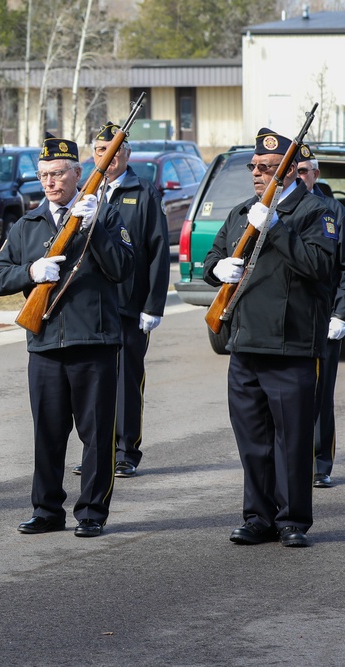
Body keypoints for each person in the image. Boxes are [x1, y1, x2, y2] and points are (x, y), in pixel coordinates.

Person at [0, 133, 134, 538]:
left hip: (94, 343)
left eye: (58, 174)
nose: (50, 182)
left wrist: (93, 227)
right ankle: (47, 509)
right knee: (47, 435)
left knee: (96, 434)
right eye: (43, 175)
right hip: (47, 344)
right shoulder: (27, 224)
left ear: (78, 174)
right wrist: (30, 272)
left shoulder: (104, 217)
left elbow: (122, 268)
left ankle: (91, 513)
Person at [203, 128, 336, 548]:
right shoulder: (243, 211)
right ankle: (257, 517)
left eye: (267, 168)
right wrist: (217, 270)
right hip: (244, 345)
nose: (258, 174)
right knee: (253, 440)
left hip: (291, 345)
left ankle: (293, 520)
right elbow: (213, 257)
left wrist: (276, 226)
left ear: (292, 171)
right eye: (254, 167)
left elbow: (319, 266)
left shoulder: (317, 212)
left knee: (292, 440)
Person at [71, 123, 170, 479]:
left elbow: (159, 250)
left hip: (129, 304)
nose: (107, 156)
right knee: (95, 383)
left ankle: (126, 451)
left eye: (114, 150)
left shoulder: (142, 191)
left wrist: (153, 305)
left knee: (127, 380)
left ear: (126, 154)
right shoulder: (84, 191)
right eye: (100, 150)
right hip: (94, 306)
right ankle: (97, 452)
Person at [297, 144, 345, 489]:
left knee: (319, 394)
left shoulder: (333, 211)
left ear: (315, 174)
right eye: (293, 171)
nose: (299, 177)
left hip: (322, 316)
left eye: (303, 171)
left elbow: (342, 267)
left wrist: (340, 312)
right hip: (284, 320)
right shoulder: (273, 209)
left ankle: (319, 462)